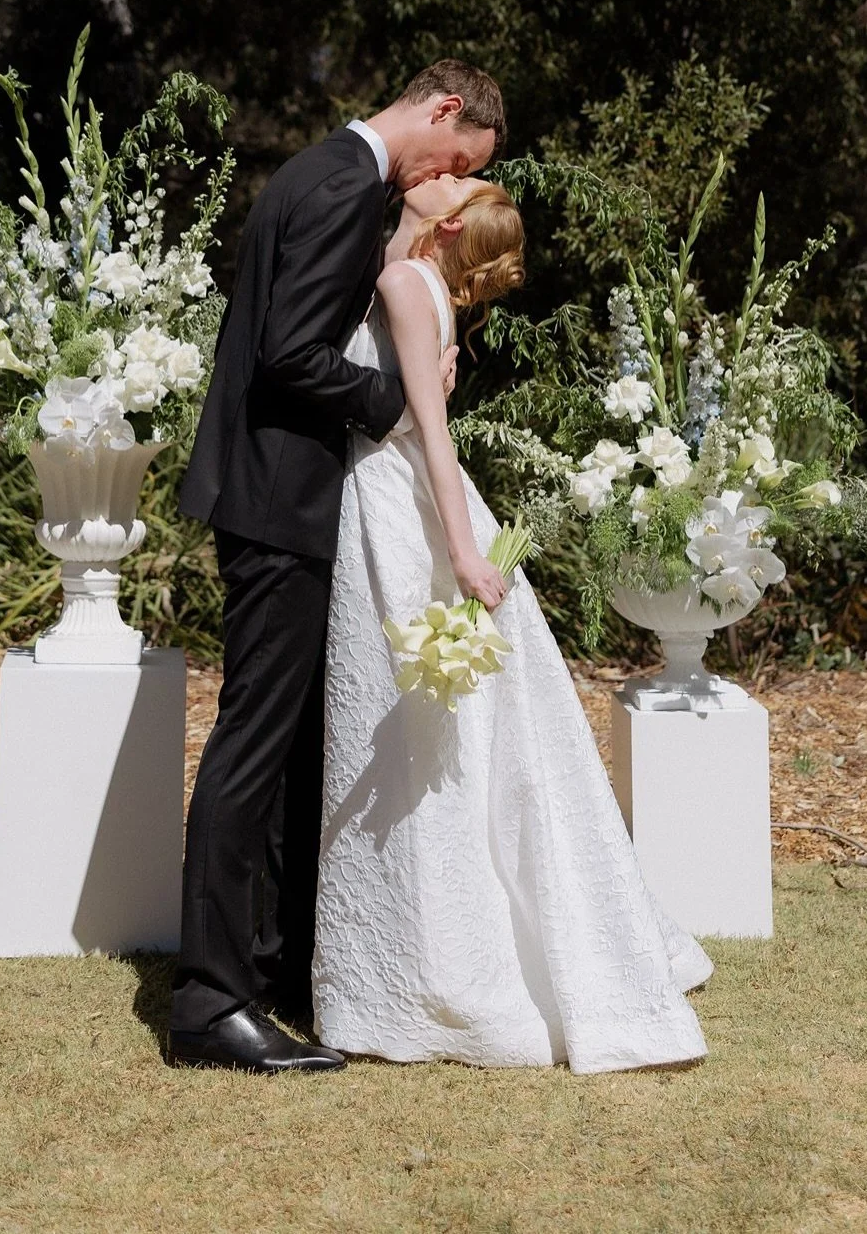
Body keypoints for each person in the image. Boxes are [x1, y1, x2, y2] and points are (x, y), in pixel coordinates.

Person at [313, 177, 712, 1071]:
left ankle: (444, 962)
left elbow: (432, 430)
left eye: (454, 178)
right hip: (388, 491)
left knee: (424, 730)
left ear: (449, 220)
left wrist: (460, 550)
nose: (439, 172)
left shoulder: (405, 286)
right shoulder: (407, 274)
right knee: (426, 724)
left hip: (399, 504)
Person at [169, 62, 505, 1073]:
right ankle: (206, 1004)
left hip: (285, 500)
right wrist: (396, 403)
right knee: (253, 748)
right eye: (457, 159)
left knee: (292, 751)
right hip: (279, 501)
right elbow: (287, 355)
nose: (446, 177)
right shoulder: (338, 183)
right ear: (443, 110)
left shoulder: (328, 176)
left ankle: (271, 967)